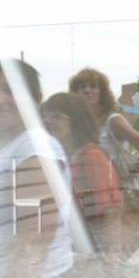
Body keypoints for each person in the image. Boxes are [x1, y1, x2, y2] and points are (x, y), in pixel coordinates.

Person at [0, 59, 78, 278]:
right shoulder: (11, 147)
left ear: (35, 99)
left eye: (11, 90)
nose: (1, 99)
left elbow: (34, 240)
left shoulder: (34, 146)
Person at [69, 68, 139, 255]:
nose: (87, 91)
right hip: (87, 196)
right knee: (94, 248)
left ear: (102, 92)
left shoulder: (113, 120)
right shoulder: (77, 124)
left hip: (111, 197)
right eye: (81, 87)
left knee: (109, 248)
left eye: (93, 86)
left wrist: (124, 178)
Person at [42, 92, 124, 255]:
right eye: (47, 116)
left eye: (56, 117)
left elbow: (109, 211)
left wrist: (110, 254)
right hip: (69, 247)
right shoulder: (60, 155)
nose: (48, 122)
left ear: (76, 122)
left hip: (89, 249)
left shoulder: (91, 156)